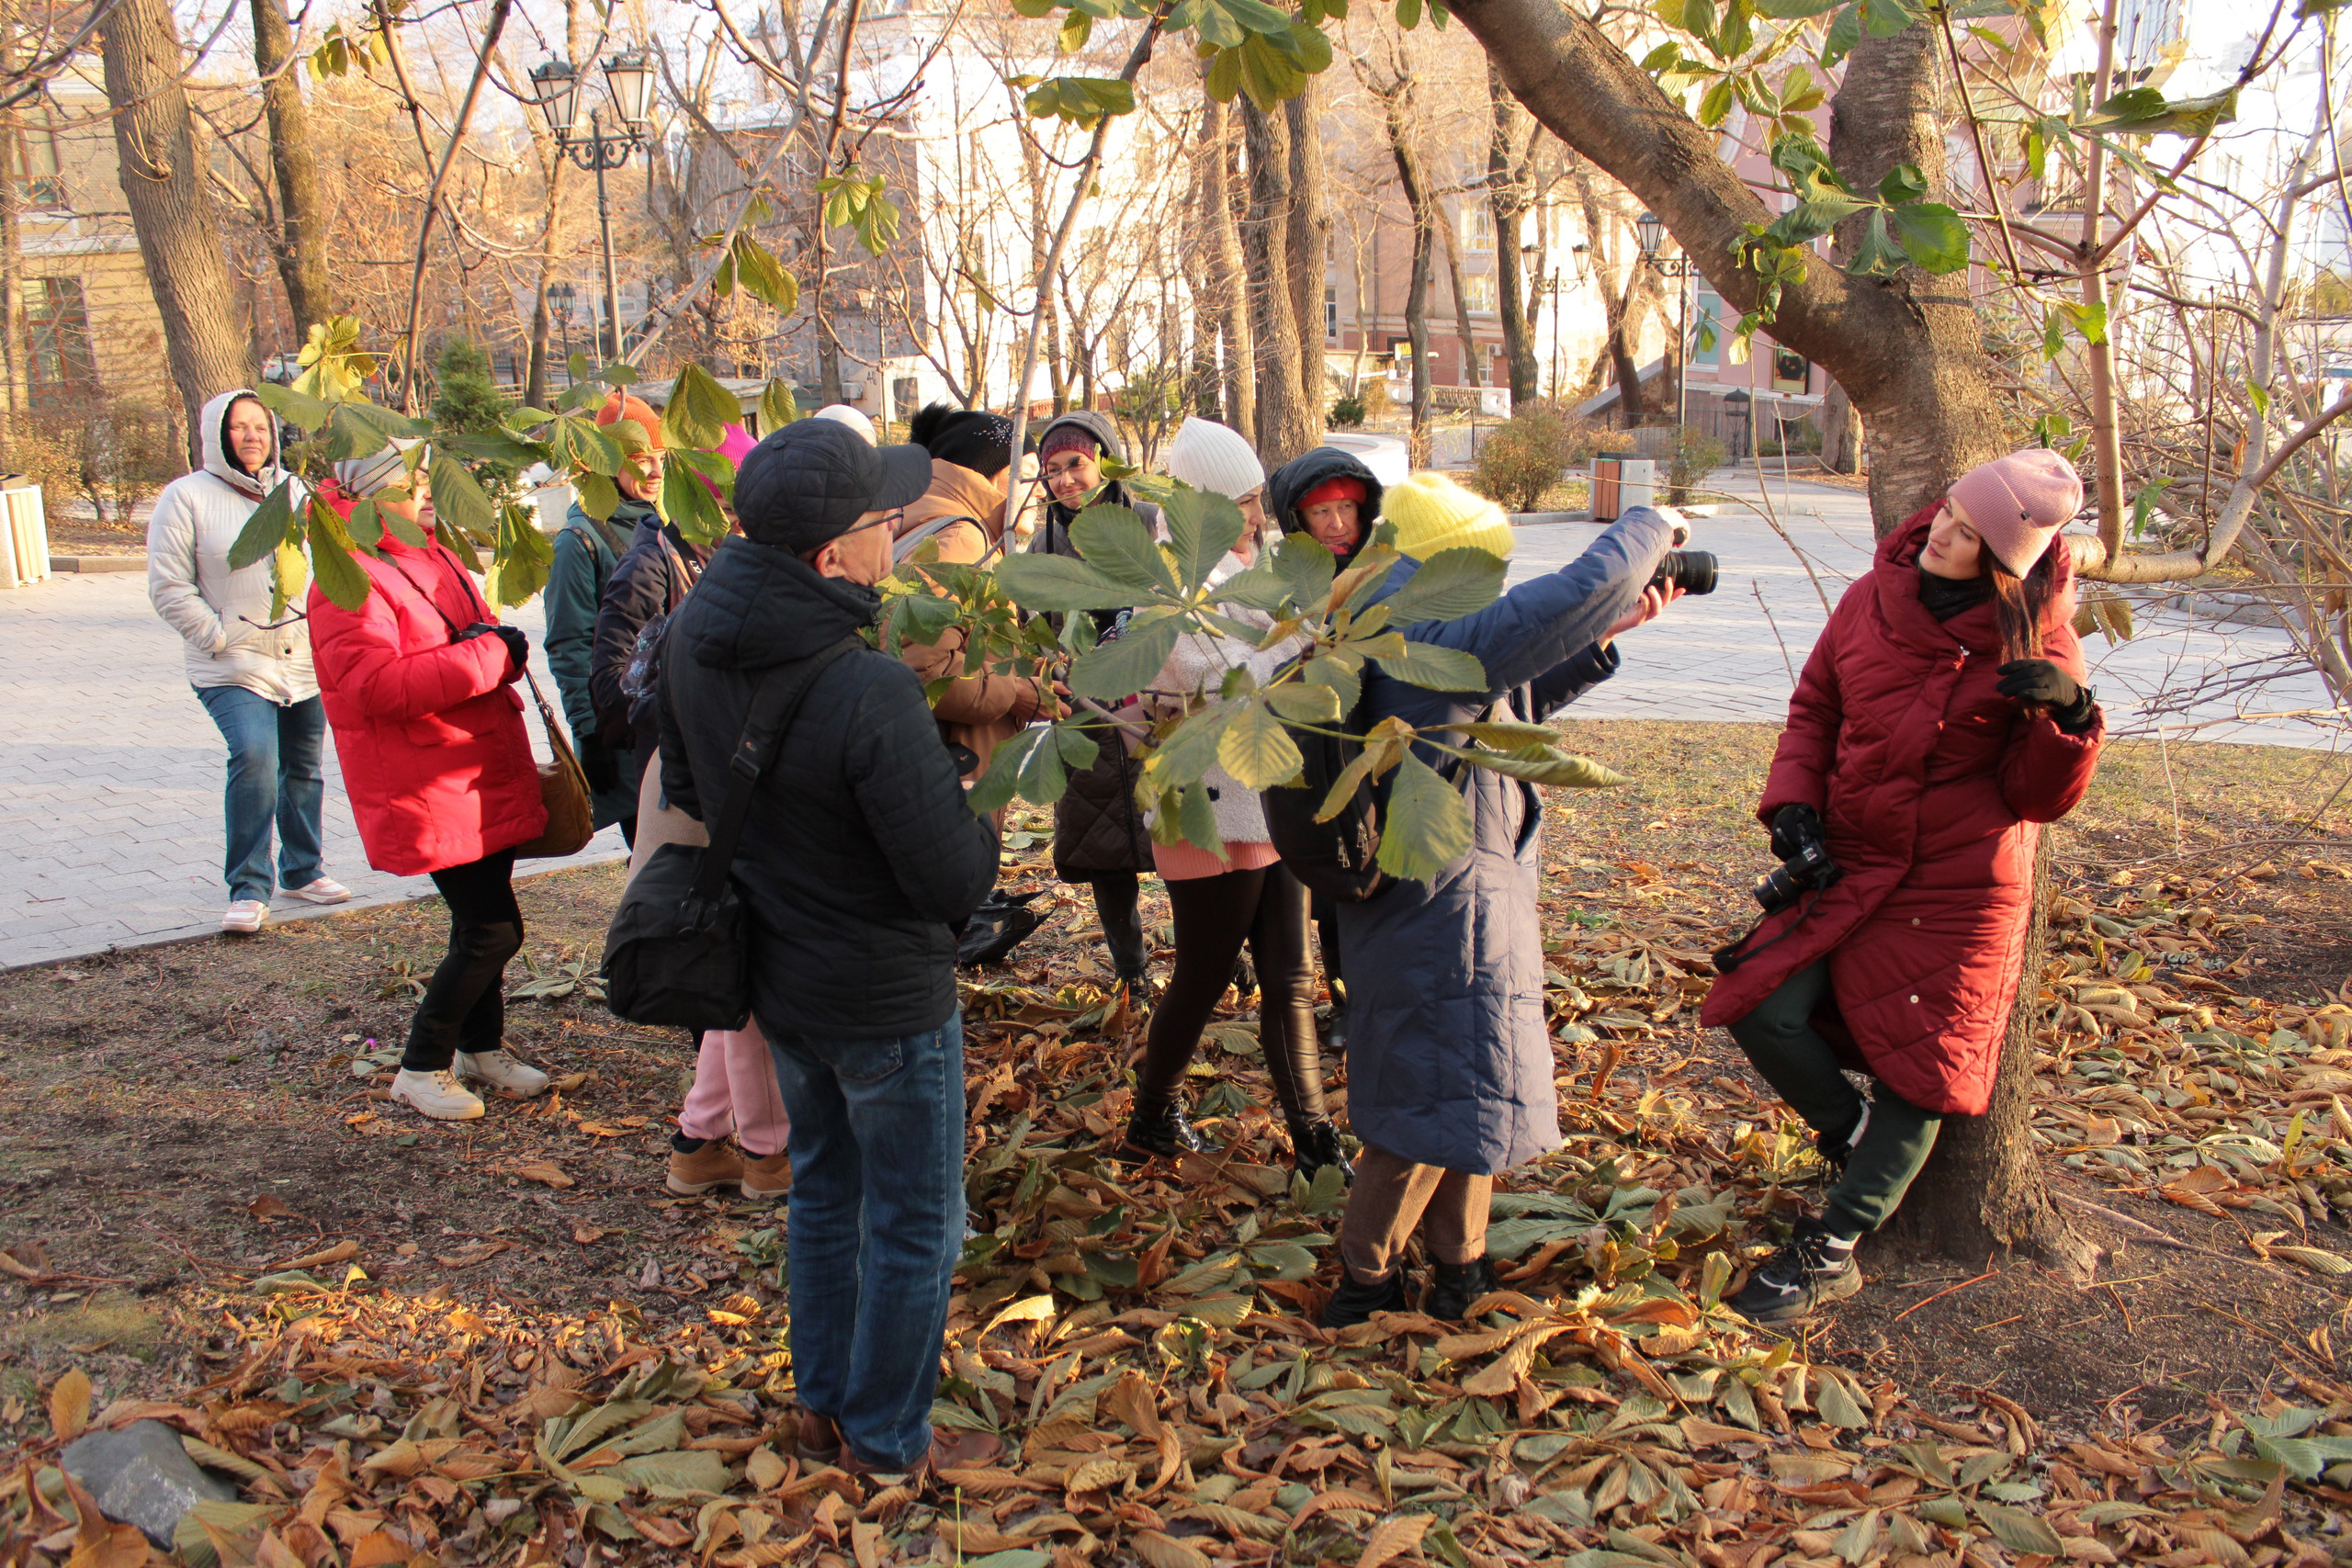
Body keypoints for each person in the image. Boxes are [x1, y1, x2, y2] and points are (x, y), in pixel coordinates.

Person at [659, 418, 1001, 1480]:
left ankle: (823, 1409)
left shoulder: (691, 640)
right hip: (885, 999)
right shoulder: (869, 687)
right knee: (913, 1226)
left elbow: (684, 794)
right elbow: (952, 879)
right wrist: (975, 798)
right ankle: (890, 1442)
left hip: (781, 980)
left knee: (823, 1194)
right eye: (877, 522)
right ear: (826, 557)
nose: (893, 530)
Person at [1702, 450, 2103, 1324]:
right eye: (1949, 510)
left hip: (1961, 882)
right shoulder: (1872, 594)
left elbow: (2037, 798)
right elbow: (1817, 706)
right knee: (1759, 1002)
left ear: (2006, 561)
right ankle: (1856, 1147)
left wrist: (2071, 718)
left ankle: (1834, 1245)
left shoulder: (2037, 634)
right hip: (1852, 856)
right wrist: (1795, 806)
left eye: (1968, 533)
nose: (1942, 532)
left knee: (1926, 1070)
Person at [1319, 473, 1681, 1327]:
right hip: (1438, 909)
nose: (1500, 579)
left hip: (1461, 897)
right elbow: (1569, 595)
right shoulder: (1409, 624)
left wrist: (1604, 638)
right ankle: (1362, 1285)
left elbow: (1499, 703)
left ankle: (1459, 1268)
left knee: (1467, 1093)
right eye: (1491, 561)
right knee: (1420, 1110)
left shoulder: (1404, 610)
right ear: (1453, 557)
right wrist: (1647, 525)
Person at [1114, 419, 1346, 1182]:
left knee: (1291, 976)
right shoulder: (1165, 581)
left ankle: (1315, 1142)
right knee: (1205, 973)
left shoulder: (1257, 563)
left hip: (1275, 796)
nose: (1257, 513)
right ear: (1204, 505)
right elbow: (1219, 679)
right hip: (1206, 806)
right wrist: (1301, 646)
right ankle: (1153, 1114)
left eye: (1256, 498)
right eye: (1243, 500)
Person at [307, 446, 554, 1122]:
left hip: (473, 768)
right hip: (427, 778)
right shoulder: (347, 573)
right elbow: (375, 685)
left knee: (481, 920)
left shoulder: (430, 551)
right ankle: (419, 1067)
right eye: (410, 484)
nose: (426, 493)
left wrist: (490, 647)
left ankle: (481, 1048)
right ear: (369, 496)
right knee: (492, 931)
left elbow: (462, 640)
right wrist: (488, 654)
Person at [147, 389, 348, 932]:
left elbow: (321, 565)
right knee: (256, 756)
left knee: (303, 765)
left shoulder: (294, 491)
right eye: (239, 428)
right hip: (231, 663)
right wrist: (218, 636)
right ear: (217, 435)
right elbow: (168, 586)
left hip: (301, 659)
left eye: (261, 426)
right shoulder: (185, 497)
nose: (253, 437)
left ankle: (304, 870)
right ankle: (248, 885)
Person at [1032, 411, 1159, 998]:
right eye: (1052, 470)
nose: (1064, 480)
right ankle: (1132, 971)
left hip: (1159, 710)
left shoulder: (1151, 522)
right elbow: (1035, 627)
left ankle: (1218, 953)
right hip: (1085, 718)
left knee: (1183, 849)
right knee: (1106, 857)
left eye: (1075, 464)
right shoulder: (1045, 541)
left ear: (1105, 461)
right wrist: (1048, 669)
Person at [1265, 446, 1385, 1050]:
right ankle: (1345, 1004)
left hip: (1382, 748)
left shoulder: (1387, 569)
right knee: (1333, 892)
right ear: (1297, 520)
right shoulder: (1282, 582)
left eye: (1347, 508)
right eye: (1322, 513)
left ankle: (1384, 996)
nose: (1338, 523)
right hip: (1317, 751)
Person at [586, 394, 710, 807]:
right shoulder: (588, 537)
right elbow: (579, 647)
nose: (656, 470)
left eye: (661, 456)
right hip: (643, 736)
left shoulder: (684, 531)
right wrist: (589, 732)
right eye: (641, 459)